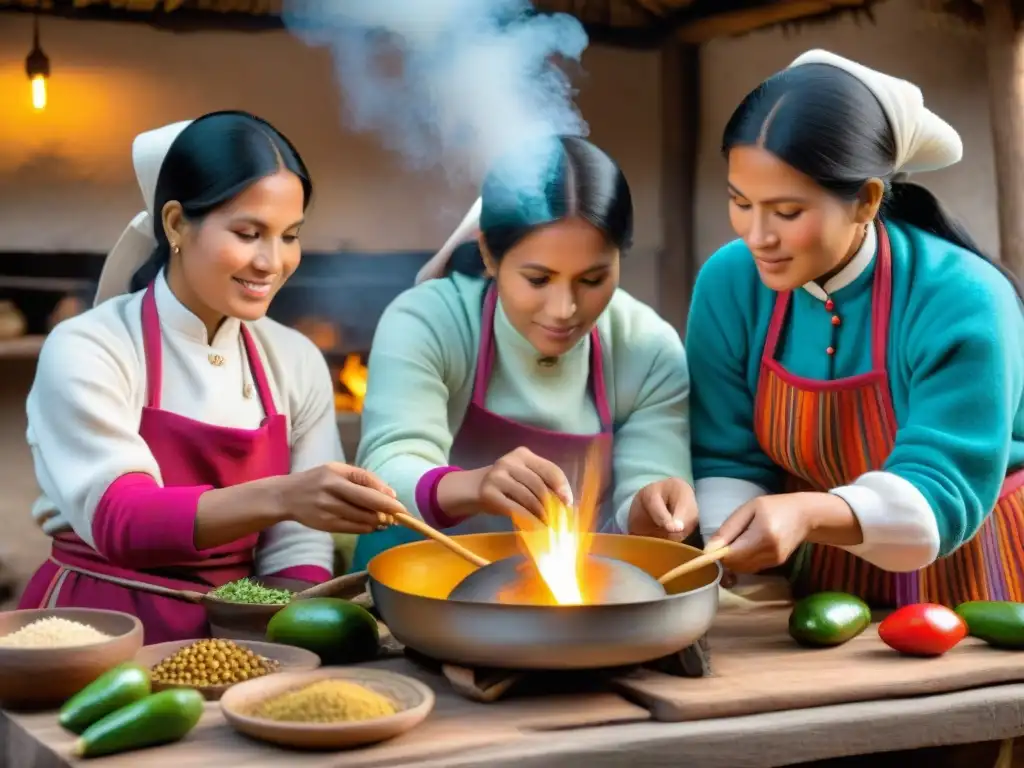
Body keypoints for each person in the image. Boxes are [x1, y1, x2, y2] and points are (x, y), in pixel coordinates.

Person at [18, 112, 404, 643]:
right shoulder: (90, 346)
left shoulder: (294, 359)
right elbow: (122, 519)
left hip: (244, 632)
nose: (272, 261)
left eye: (290, 236)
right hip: (96, 630)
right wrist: (285, 495)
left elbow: (297, 543)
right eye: (249, 233)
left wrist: (283, 633)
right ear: (175, 224)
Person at [687, 50, 1024, 610]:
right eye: (740, 202)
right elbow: (726, 451)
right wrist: (733, 558)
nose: (757, 235)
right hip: (822, 576)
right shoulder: (729, 283)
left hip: (977, 567)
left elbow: (942, 489)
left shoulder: (963, 297)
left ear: (866, 200)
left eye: (787, 212)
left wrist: (808, 513)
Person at [350, 135, 696, 571]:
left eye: (592, 280)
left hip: (569, 605)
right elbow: (387, 468)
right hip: (411, 592)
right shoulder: (428, 321)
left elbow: (649, 483)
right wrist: (476, 486)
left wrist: (655, 508)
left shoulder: (646, 347)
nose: (564, 309)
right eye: (537, 279)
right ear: (488, 254)